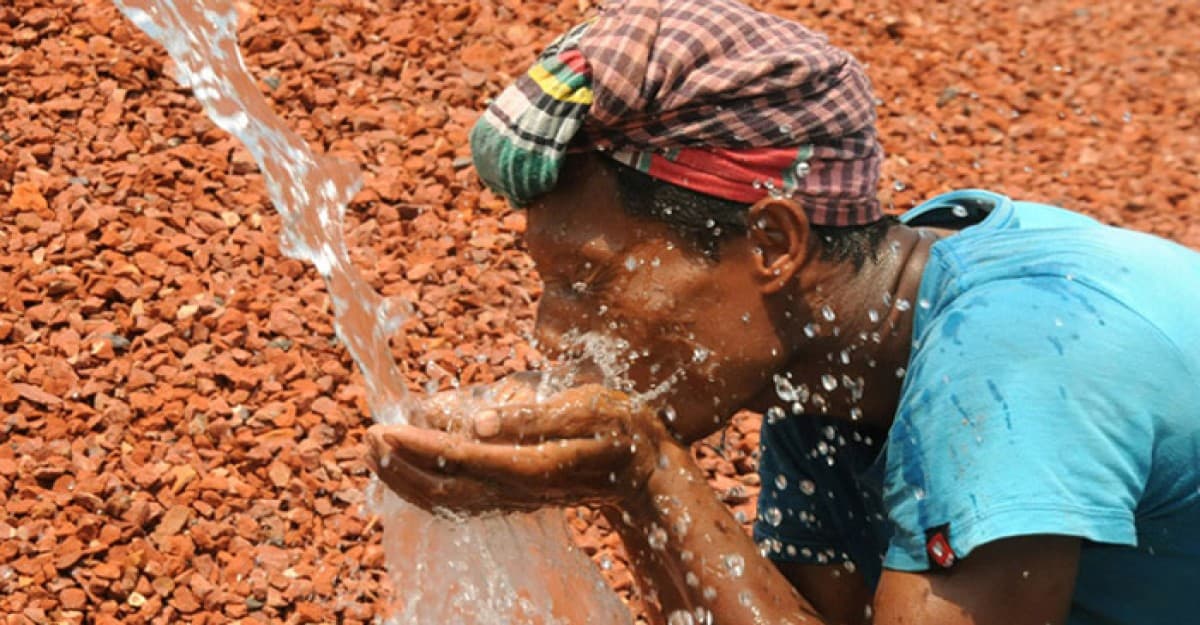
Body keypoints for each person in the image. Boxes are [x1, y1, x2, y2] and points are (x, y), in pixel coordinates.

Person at [365, 1, 1200, 623]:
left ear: (772, 242)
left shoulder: (1010, 358)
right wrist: (627, 481)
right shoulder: (831, 366)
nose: (552, 332)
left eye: (587, 279)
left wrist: (646, 471)